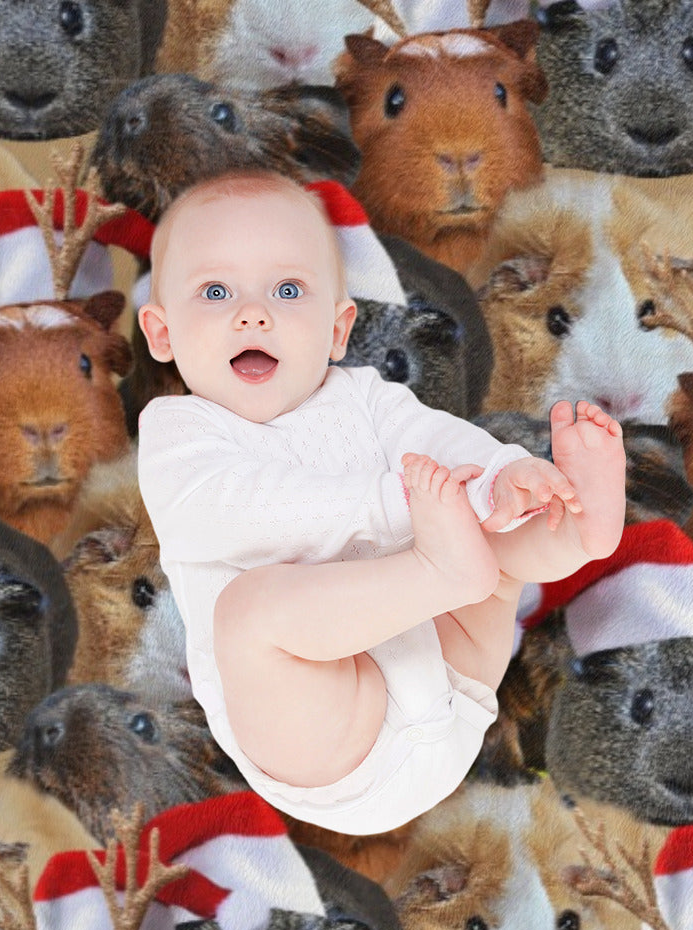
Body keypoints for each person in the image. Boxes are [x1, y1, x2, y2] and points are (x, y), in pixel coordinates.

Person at [137, 170, 626, 834]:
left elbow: (439, 441)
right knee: (249, 613)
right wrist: (399, 504)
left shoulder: (364, 398)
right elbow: (245, 512)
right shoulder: (181, 436)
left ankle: (573, 530)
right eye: (215, 291)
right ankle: (445, 569)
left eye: (287, 290)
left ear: (338, 331)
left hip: (453, 680)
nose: (253, 314)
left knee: (492, 533)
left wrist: (502, 475)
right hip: (332, 741)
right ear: (162, 335)